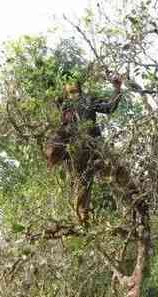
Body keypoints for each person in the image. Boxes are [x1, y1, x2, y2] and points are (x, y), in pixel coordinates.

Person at [45, 76, 123, 223]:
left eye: (72, 80)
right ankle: (81, 215)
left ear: (78, 85)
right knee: (79, 183)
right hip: (73, 151)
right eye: (66, 81)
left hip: (91, 148)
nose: (69, 84)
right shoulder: (64, 104)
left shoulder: (88, 99)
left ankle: (86, 214)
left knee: (94, 178)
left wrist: (117, 89)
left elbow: (109, 107)